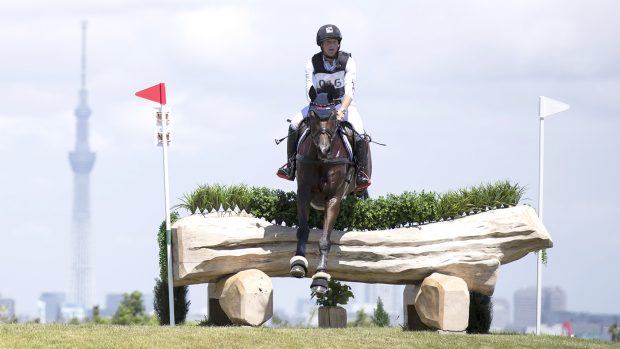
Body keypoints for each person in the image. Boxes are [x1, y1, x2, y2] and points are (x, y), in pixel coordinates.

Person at [276, 24, 371, 190]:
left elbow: (350, 91)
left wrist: (341, 110)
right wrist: (317, 107)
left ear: (339, 43)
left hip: (343, 104)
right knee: (294, 124)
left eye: (334, 41)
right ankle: (290, 166)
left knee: (359, 131)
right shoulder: (312, 63)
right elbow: (309, 90)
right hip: (318, 105)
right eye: (327, 42)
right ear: (321, 44)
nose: (331, 45)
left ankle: (361, 173)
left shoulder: (348, 61)